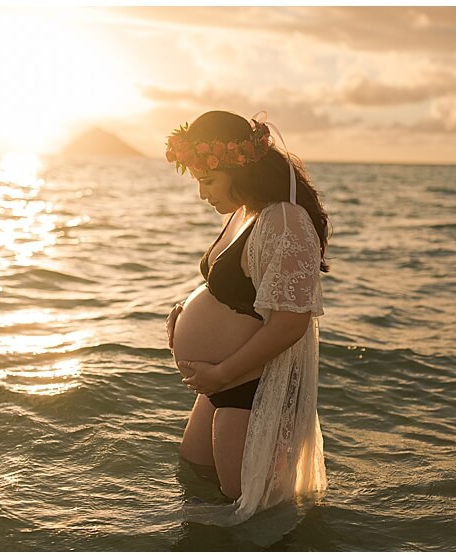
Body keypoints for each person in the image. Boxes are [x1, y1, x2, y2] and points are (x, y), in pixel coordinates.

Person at [162, 110, 330, 524]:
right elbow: (239, 290)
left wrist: (221, 373)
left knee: (251, 516)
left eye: (208, 181)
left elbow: (291, 323)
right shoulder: (246, 212)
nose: (202, 194)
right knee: (196, 480)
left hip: (248, 386)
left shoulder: (285, 220)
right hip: (223, 380)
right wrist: (185, 314)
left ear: (239, 168)